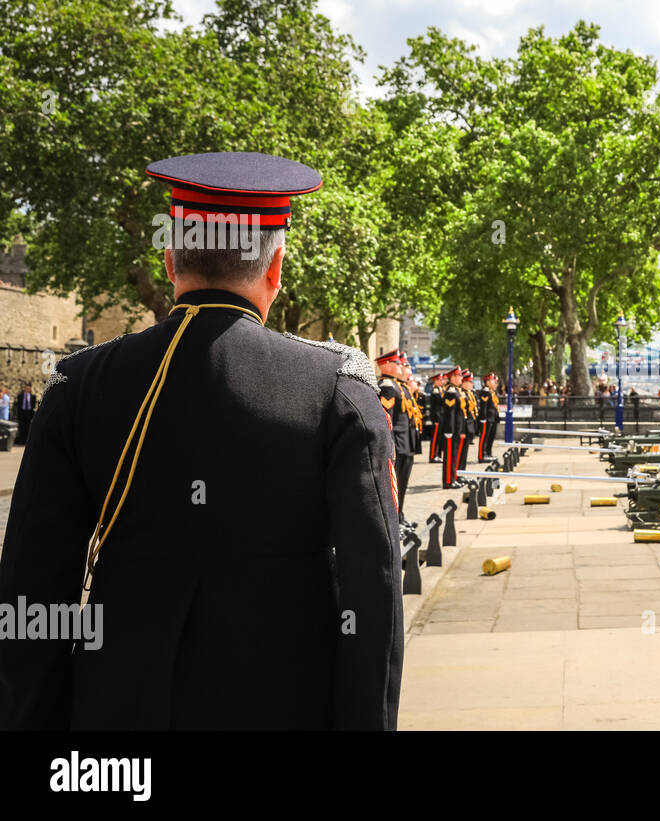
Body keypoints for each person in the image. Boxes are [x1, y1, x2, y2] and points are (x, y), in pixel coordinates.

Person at [0, 151, 402, 730]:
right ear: (275, 267)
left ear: (169, 260)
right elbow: (375, 590)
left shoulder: (79, 386)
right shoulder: (335, 389)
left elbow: (32, 596)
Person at [376, 350, 415, 518]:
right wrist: (389, 443)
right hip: (397, 440)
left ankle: (399, 516)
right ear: (386, 365)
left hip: (404, 440)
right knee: (395, 483)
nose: (400, 366)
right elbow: (386, 418)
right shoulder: (387, 386)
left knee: (402, 481)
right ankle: (394, 519)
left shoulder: (397, 385)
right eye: (397, 363)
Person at [440, 368, 469, 489]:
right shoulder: (451, 392)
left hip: (456, 429)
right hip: (451, 431)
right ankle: (448, 481)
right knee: (450, 456)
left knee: (454, 455)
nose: (461, 379)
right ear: (453, 377)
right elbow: (449, 414)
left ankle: (452, 478)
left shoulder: (456, 391)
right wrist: (449, 430)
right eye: (459, 376)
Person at [476, 372, 500, 461]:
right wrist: (483, 419)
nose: (496, 384)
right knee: (484, 437)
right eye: (494, 381)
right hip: (486, 419)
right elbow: (484, 407)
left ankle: (488, 453)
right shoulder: (485, 391)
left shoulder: (492, 392)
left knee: (491, 437)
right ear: (488, 382)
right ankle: (482, 455)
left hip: (492, 419)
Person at [427, 370, 446, 463]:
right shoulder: (435, 391)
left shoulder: (441, 390)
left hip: (441, 418)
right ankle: (432, 456)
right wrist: (435, 419)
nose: (443, 381)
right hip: (437, 419)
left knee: (440, 438)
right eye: (440, 380)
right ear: (436, 381)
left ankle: (438, 455)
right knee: (435, 438)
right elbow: (435, 408)